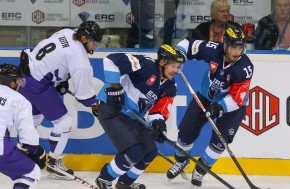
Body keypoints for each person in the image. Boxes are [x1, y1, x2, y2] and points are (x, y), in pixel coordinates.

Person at [166, 27, 254, 187]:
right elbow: (187, 43)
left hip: (232, 107)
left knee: (219, 143)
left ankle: (200, 170)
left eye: (240, 47)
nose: (237, 52)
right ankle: (182, 160)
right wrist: (178, 56)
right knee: (186, 131)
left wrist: (218, 108)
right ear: (225, 45)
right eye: (234, 47)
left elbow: (236, 99)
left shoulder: (245, 68)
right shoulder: (213, 50)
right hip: (206, 97)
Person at [17, 20, 103, 180]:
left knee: (36, 117)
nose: (95, 47)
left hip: (26, 74)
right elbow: (85, 97)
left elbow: (55, 58)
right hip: (38, 84)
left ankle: (23, 150)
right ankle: (54, 163)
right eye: (94, 43)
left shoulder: (67, 32)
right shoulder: (80, 60)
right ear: (84, 39)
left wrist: (60, 80)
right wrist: (96, 104)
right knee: (65, 123)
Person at [94, 44, 185, 189]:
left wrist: (158, 125)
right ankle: (104, 179)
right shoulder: (146, 65)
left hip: (133, 117)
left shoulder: (170, 86)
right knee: (134, 152)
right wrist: (115, 88)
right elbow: (110, 60)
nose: (176, 70)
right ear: (162, 62)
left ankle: (124, 184)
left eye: (178, 66)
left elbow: (158, 111)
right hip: (112, 109)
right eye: (173, 65)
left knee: (150, 152)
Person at [0, 63, 46, 189]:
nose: (19, 84)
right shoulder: (18, 99)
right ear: (11, 82)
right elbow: (27, 134)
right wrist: (35, 151)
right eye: (18, 81)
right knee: (31, 172)